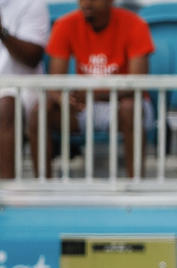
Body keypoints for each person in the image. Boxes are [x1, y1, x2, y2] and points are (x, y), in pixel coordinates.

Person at [33, 0, 154, 178]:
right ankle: (42, 187)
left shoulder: (134, 23)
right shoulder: (65, 24)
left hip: (122, 105)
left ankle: (135, 186)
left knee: (131, 108)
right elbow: (54, 83)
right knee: (40, 111)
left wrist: (93, 95)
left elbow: (137, 83)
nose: (86, 3)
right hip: (85, 105)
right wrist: (63, 100)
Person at [0, 0, 49, 179]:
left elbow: (32, 57)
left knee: (5, 105)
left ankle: (5, 194)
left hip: (24, 88)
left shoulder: (31, 3)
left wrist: (2, 32)